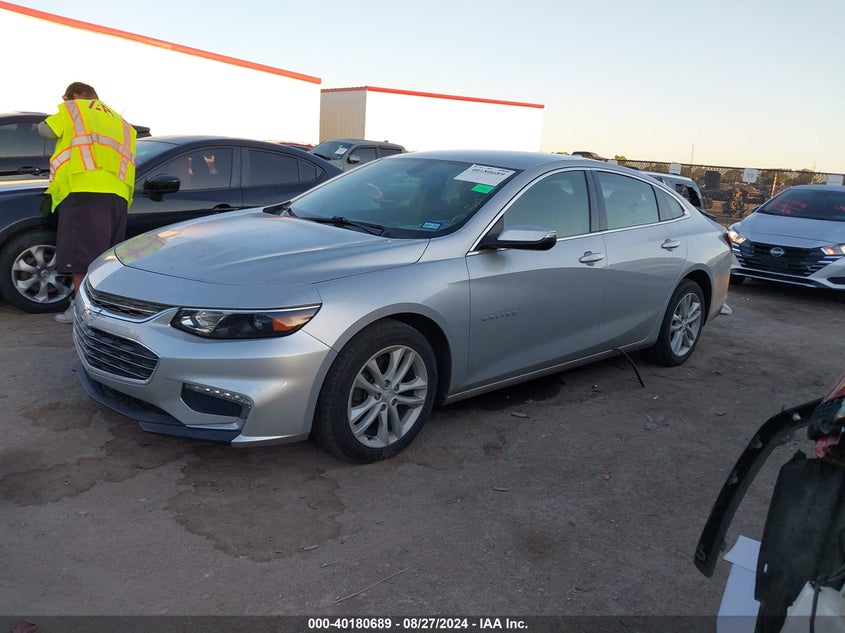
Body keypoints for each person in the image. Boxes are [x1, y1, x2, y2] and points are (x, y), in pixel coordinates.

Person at [38, 82, 137, 323]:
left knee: (80, 258)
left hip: (84, 189)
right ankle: (103, 311)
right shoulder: (121, 122)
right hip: (118, 194)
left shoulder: (75, 109)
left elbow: (44, 130)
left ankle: (80, 312)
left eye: (66, 97)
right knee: (104, 260)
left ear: (76, 95)